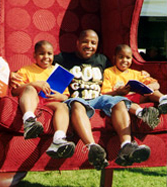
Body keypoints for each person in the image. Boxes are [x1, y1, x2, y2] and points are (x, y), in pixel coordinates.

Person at [48, 30, 151, 168]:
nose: (89, 45)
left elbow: (119, 72)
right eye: (85, 42)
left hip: (100, 98)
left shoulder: (102, 60)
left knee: (119, 102)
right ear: (77, 43)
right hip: (76, 99)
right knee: (77, 104)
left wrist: (143, 74)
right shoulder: (63, 59)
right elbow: (42, 66)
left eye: (93, 43)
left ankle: (126, 145)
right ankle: (92, 148)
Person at [11, 40, 75, 159]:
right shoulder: (26, 70)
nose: (46, 57)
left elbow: (66, 95)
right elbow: (15, 91)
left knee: (63, 106)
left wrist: (62, 97)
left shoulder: (57, 72)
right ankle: (29, 121)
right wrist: (35, 84)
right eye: (41, 54)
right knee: (30, 88)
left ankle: (59, 139)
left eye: (49, 54)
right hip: (32, 101)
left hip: (50, 101)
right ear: (34, 55)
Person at [101, 44, 167, 120]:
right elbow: (104, 93)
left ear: (132, 59)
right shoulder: (109, 72)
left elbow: (156, 84)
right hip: (121, 99)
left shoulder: (136, 73)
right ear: (114, 57)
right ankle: (142, 113)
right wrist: (117, 92)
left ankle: (163, 99)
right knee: (124, 102)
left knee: (153, 91)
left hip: (137, 97)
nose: (124, 60)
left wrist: (150, 86)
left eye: (128, 58)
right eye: (121, 57)